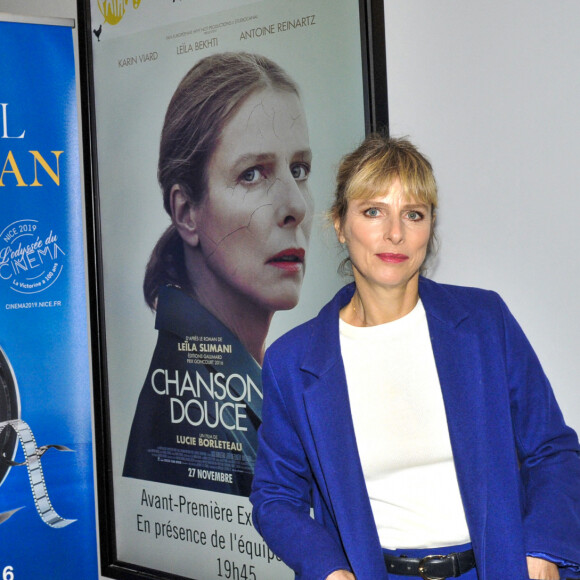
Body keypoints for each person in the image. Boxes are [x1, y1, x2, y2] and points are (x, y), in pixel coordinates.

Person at [250, 134, 580, 579]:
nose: (395, 233)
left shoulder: (484, 323)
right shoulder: (294, 361)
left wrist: (542, 553)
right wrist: (328, 570)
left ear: (429, 227)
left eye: (413, 214)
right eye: (373, 212)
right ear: (340, 225)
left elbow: (553, 450)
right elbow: (275, 497)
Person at [123, 52, 313, 496]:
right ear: (186, 212)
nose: (296, 207)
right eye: (252, 174)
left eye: (299, 169)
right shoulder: (203, 411)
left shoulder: (234, 384)